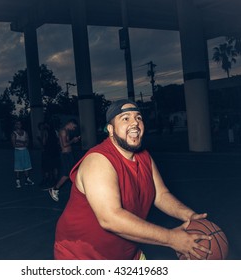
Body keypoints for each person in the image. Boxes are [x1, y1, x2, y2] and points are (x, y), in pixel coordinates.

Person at [54, 99, 212, 260]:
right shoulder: (98, 161)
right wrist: (172, 238)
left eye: (138, 117)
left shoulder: (144, 157)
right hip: (83, 256)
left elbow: (160, 194)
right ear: (111, 129)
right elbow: (110, 218)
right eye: (125, 118)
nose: (135, 123)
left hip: (128, 253)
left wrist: (190, 216)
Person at [48, 119, 81, 202]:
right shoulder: (63, 131)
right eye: (74, 127)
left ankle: (79, 191)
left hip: (69, 154)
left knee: (73, 171)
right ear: (70, 123)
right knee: (66, 174)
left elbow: (61, 143)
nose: (74, 129)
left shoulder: (65, 131)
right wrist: (73, 141)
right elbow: (64, 145)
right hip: (65, 155)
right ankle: (55, 189)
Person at [11, 120, 34, 188]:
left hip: (25, 151)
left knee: (27, 166)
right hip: (18, 152)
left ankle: (27, 180)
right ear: (15, 125)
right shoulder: (13, 134)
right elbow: (14, 145)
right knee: (18, 167)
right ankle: (18, 182)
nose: (19, 125)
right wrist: (23, 144)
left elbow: (27, 142)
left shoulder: (25, 132)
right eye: (17, 124)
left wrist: (23, 144)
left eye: (20, 124)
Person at [38, 121, 60, 187]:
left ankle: (47, 180)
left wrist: (40, 140)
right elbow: (58, 141)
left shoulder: (45, 131)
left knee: (46, 166)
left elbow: (44, 142)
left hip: (47, 151)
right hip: (55, 151)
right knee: (55, 166)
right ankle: (55, 180)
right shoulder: (55, 131)